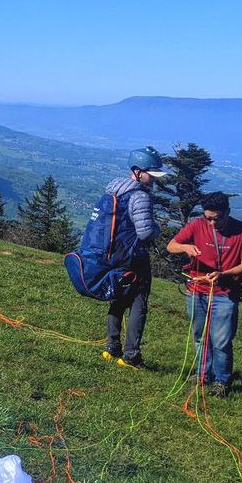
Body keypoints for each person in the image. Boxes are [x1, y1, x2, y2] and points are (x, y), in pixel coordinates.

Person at [168, 191, 242, 397]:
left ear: (227, 212)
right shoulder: (196, 225)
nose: (211, 224)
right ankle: (202, 374)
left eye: (217, 219)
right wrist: (185, 247)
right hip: (196, 291)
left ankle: (222, 381)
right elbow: (171, 246)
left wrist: (224, 274)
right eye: (208, 218)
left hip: (225, 294)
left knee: (221, 340)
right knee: (200, 336)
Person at [101, 146, 166, 368]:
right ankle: (131, 355)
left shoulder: (114, 188)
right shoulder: (140, 196)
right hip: (134, 257)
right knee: (138, 302)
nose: (154, 180)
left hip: (113, 254)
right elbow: (146, 232)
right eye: (151, 174)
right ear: (138, 171)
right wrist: (157, 229)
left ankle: (111, 347)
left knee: (117, 298)